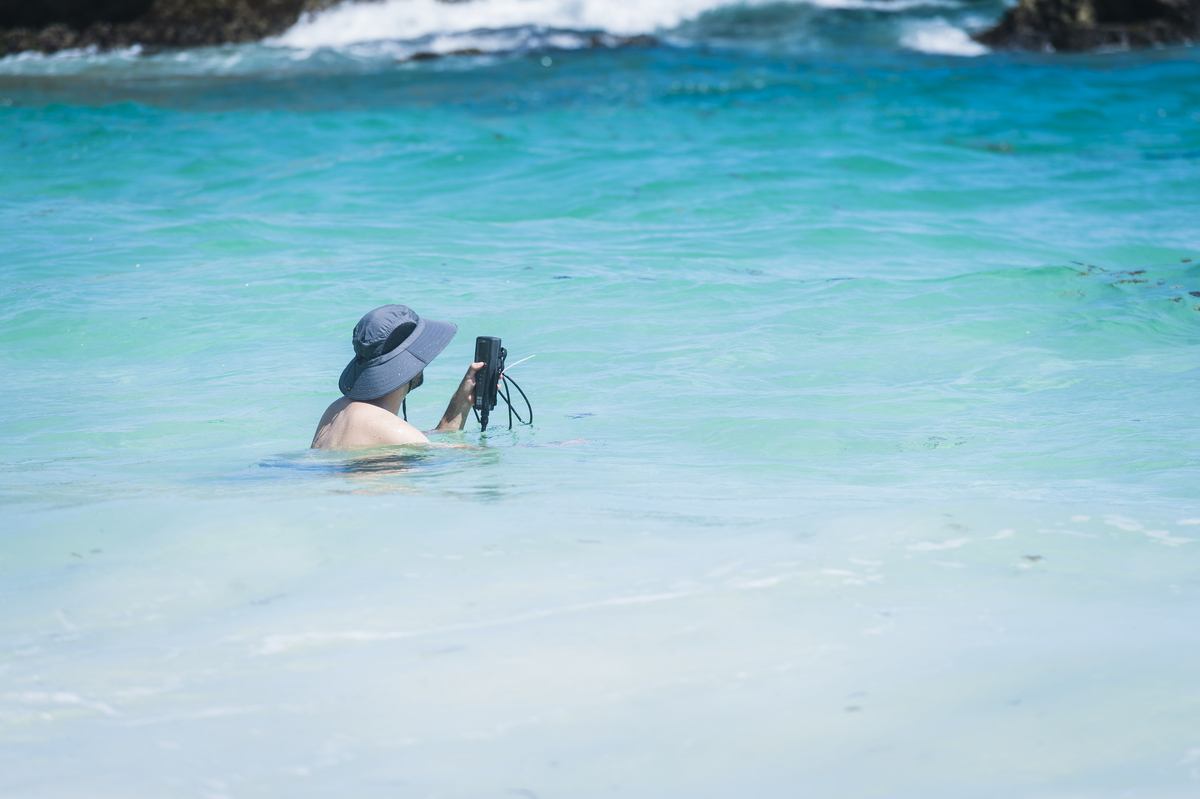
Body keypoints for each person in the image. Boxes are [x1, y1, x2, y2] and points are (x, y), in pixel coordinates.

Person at [311, 304, 484, 449]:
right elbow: (459, 459)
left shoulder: (336, 410)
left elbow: (428, 442)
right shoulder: (391, 430)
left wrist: (461, 402)